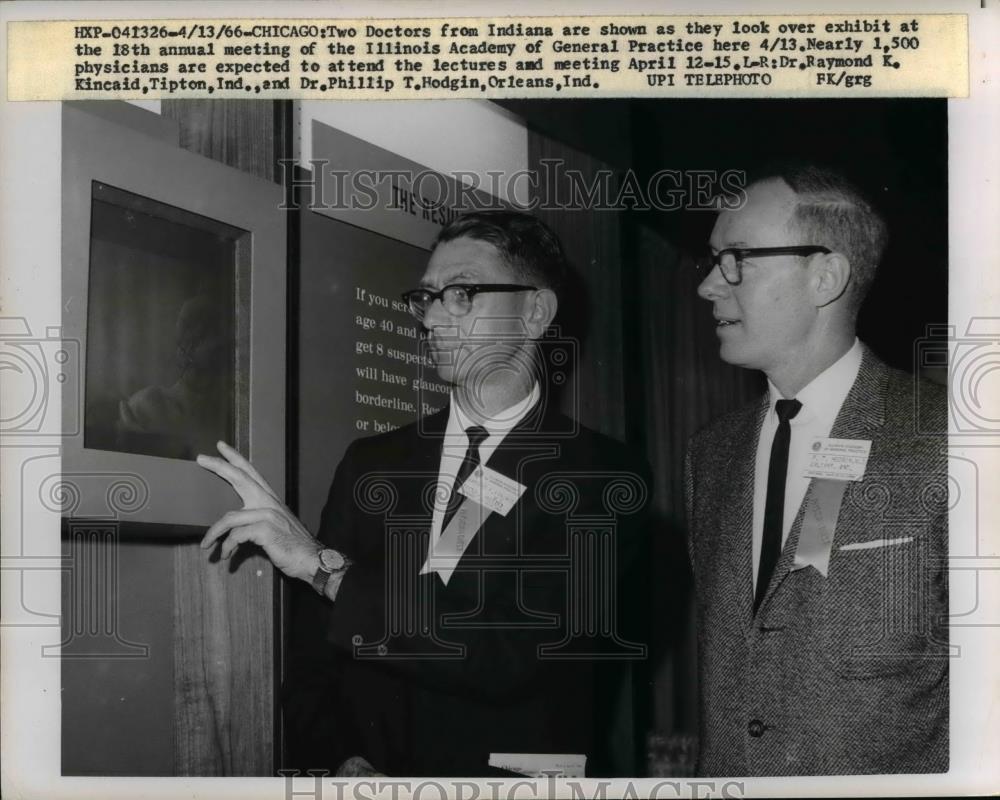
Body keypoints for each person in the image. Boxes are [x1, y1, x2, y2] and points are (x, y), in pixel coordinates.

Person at [198, 210, 650, 777]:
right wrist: (342, 755)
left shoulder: (603, 476)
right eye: (427, 297)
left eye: (461, 294)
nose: (433, 318)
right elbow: (315, 654)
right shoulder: (372, 464)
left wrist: (323, 567)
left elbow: (507, 652)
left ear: (536, 311)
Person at [685, 164, 948, 776]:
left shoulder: (948, 437)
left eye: (737, 258)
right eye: (713, 259)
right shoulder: (711, 454)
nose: (708, 286)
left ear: (825, 275)